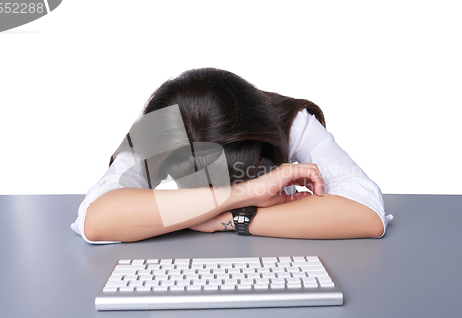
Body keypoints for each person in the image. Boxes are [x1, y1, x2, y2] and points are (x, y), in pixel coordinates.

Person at [71, 68, 393, 244]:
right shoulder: (156, 133)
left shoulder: (286, 120)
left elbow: (366, 213)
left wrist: (229, 219)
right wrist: (245, 193)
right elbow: (96, 220)